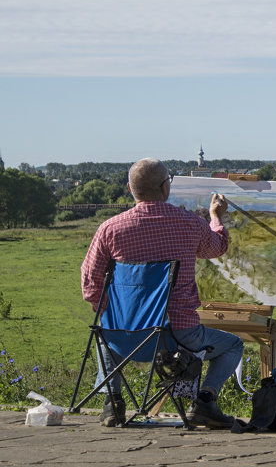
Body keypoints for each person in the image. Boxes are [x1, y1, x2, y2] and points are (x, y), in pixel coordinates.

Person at [81, 158, 244, 428]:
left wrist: (113, 315)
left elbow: (90, 279)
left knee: (103, 333)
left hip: (123, 337)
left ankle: (113, 403)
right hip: (177, 338)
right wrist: (216, 218)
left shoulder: (109, 229)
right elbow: (216, 248)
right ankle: (204, 401)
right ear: (164, 188)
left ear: (130, 189)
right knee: (234, 345)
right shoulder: (189, 223)